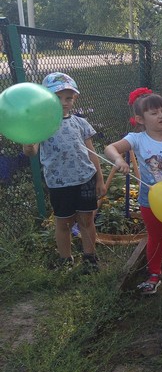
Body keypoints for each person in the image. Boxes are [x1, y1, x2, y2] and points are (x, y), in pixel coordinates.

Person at [105, 89, 162, 294]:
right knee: (155, 237)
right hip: (149, 201)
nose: (161, 116)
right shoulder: (136, 139)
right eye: (154, 113)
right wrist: (119, 160)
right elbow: (110, 148)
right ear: (140, 119)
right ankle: (154, 274)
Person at [22, 72, 105, 271]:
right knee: (64, 223)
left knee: (87, 220)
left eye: (68, 98)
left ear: (74, 99)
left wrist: (99, 180)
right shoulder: (42, 126)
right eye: (57, 97)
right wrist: (28, 144)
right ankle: (65, 260)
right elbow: (32, 152)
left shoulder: (81, 123)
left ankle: (90, 258)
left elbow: (92, 153)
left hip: (85, 179)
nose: (63, 102)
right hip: (59, 183)